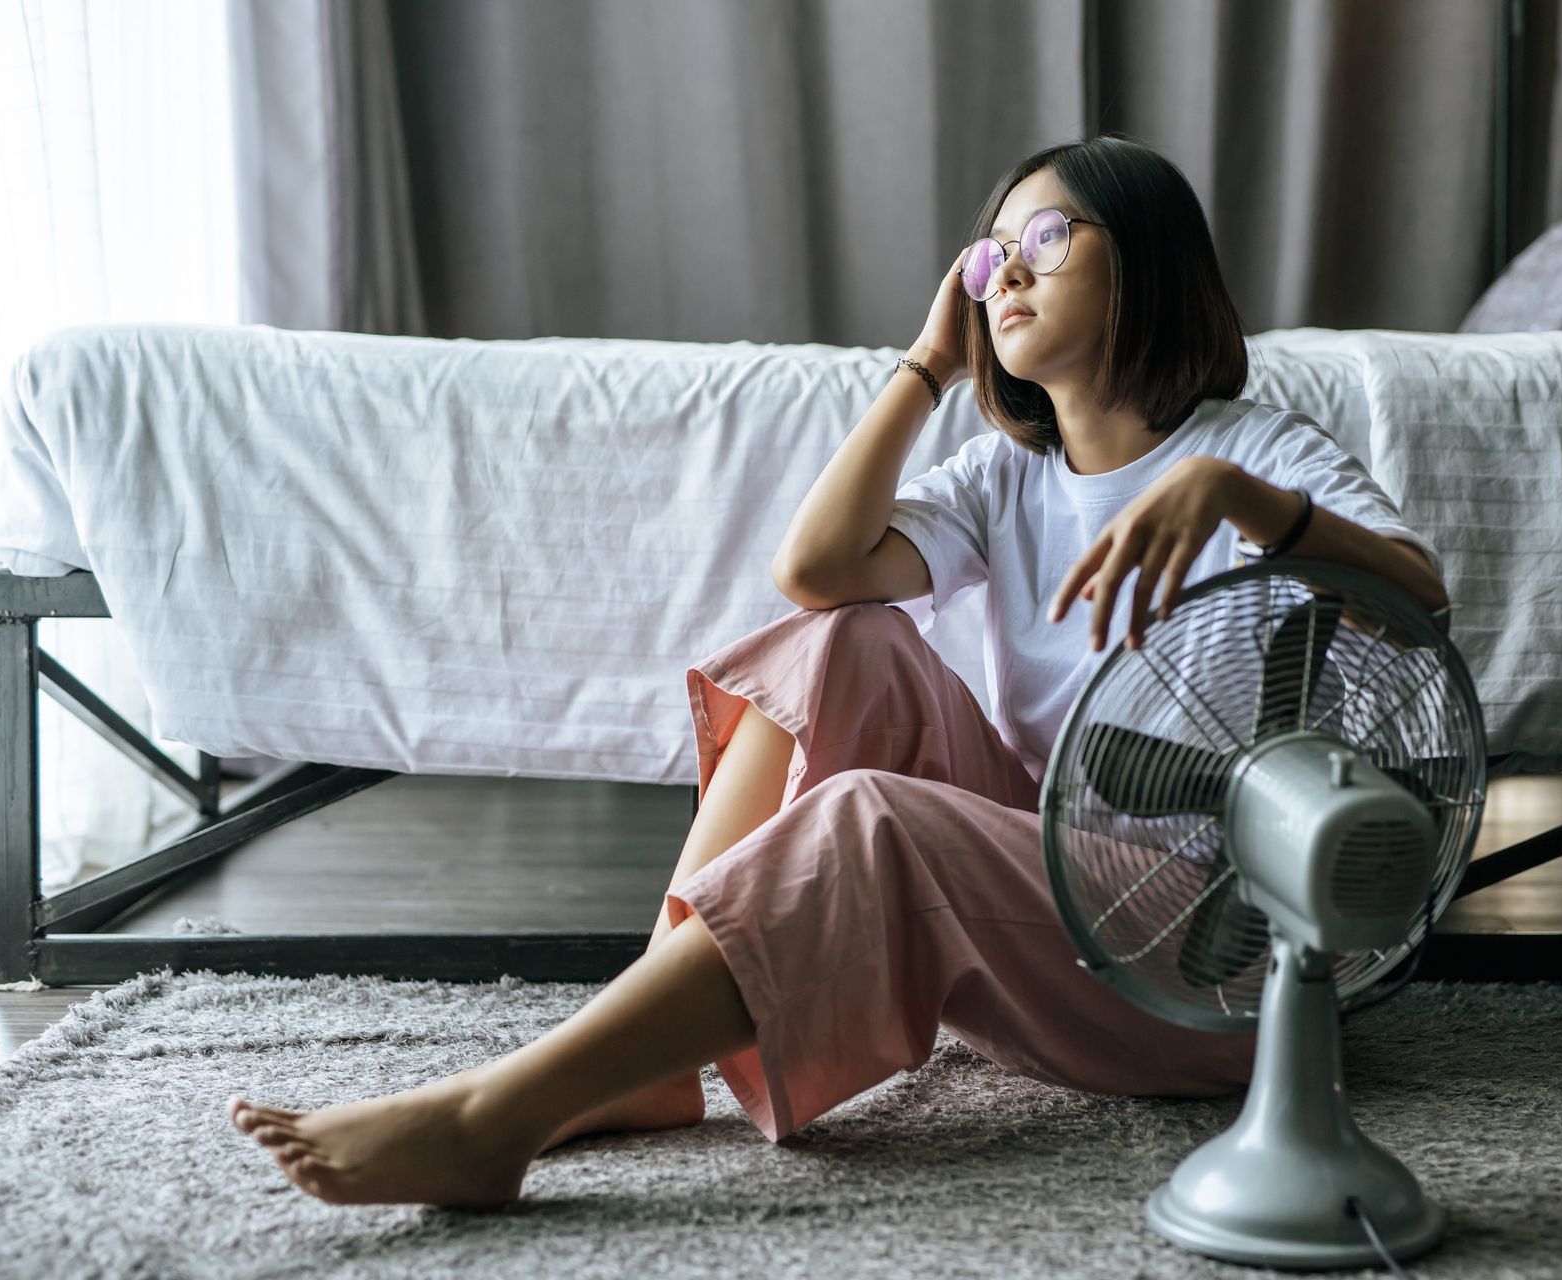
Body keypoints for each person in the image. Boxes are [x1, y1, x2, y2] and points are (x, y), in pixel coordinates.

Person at [227, 133, 1448, 1209]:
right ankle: (645, 1053)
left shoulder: (1259, 452)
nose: (1007, 274)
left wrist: (1241, 499)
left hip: (1207, 963)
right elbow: (814, 570)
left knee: (876, 818)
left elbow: (1422, 608)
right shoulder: (1004, 476)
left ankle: (496, 1117)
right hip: (1053, 890)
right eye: (989, 258)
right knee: (838, 638)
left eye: (1048, 238)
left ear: (1151, 263)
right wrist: (926, 365)